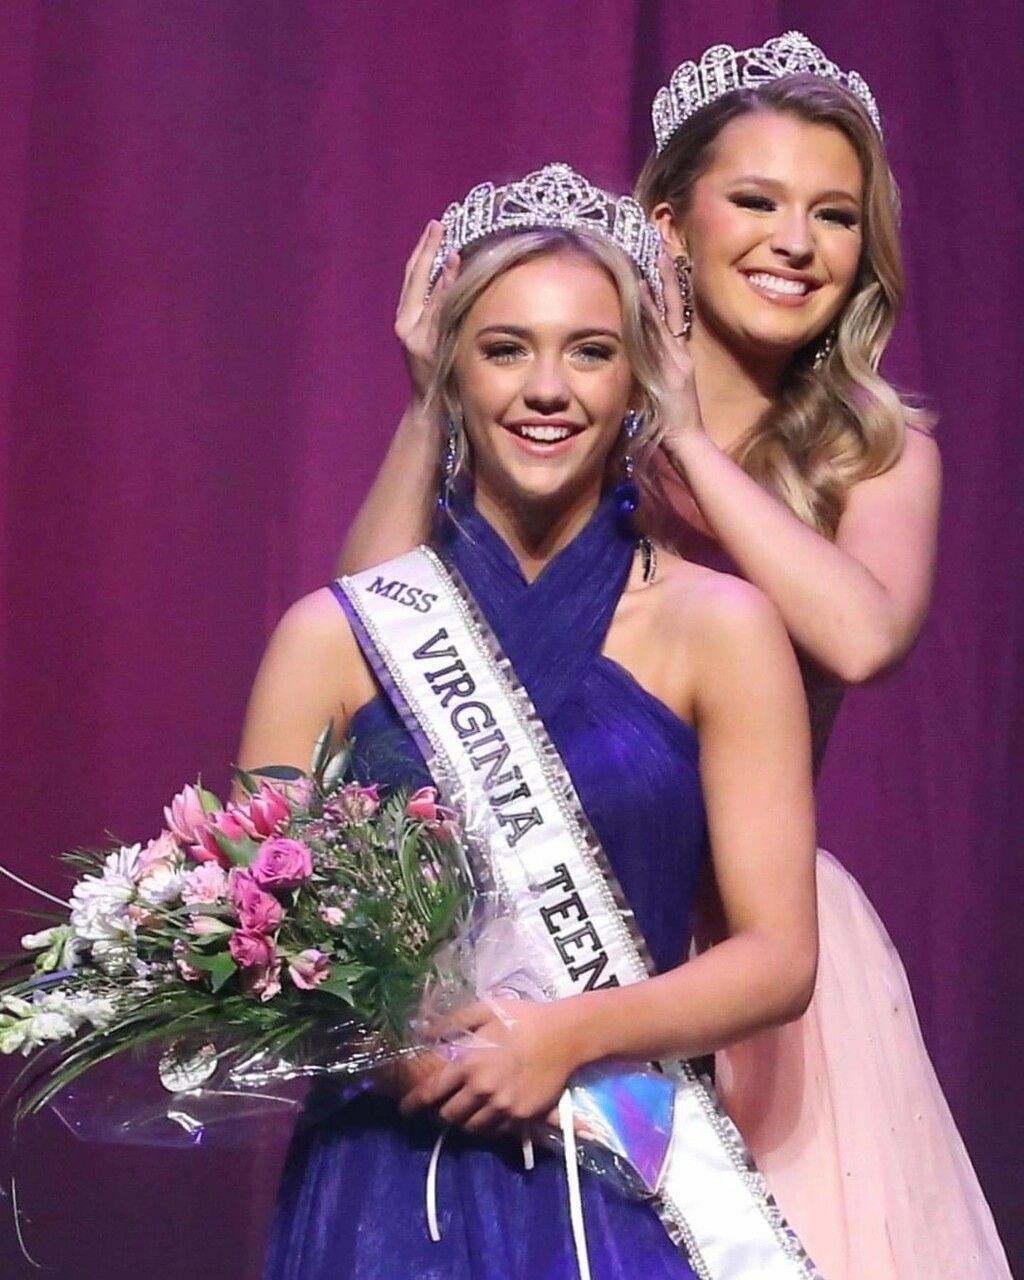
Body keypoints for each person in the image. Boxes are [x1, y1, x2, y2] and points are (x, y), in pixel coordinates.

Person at [334, 33, 1011, 1280]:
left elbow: (859, 633)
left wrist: (690, 443)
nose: (793, 241)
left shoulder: (879, 451)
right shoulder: (567, 388)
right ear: (668, 225)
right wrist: (429, 395)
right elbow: (373, 620)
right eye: (753, 200)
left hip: (750, 960)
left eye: (834, 215)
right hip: (527, 926)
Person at [241, 165, 821, 1279]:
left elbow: (777, 956)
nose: (545, 388)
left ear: (638, 379)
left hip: (616, 1157)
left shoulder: (722, 626)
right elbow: (254, 918)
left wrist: (563, 1033)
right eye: (505, 348)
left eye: (589, 350)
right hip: (383, 1173)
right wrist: (396, 1027)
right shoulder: (334, 635)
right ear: (450, 374)